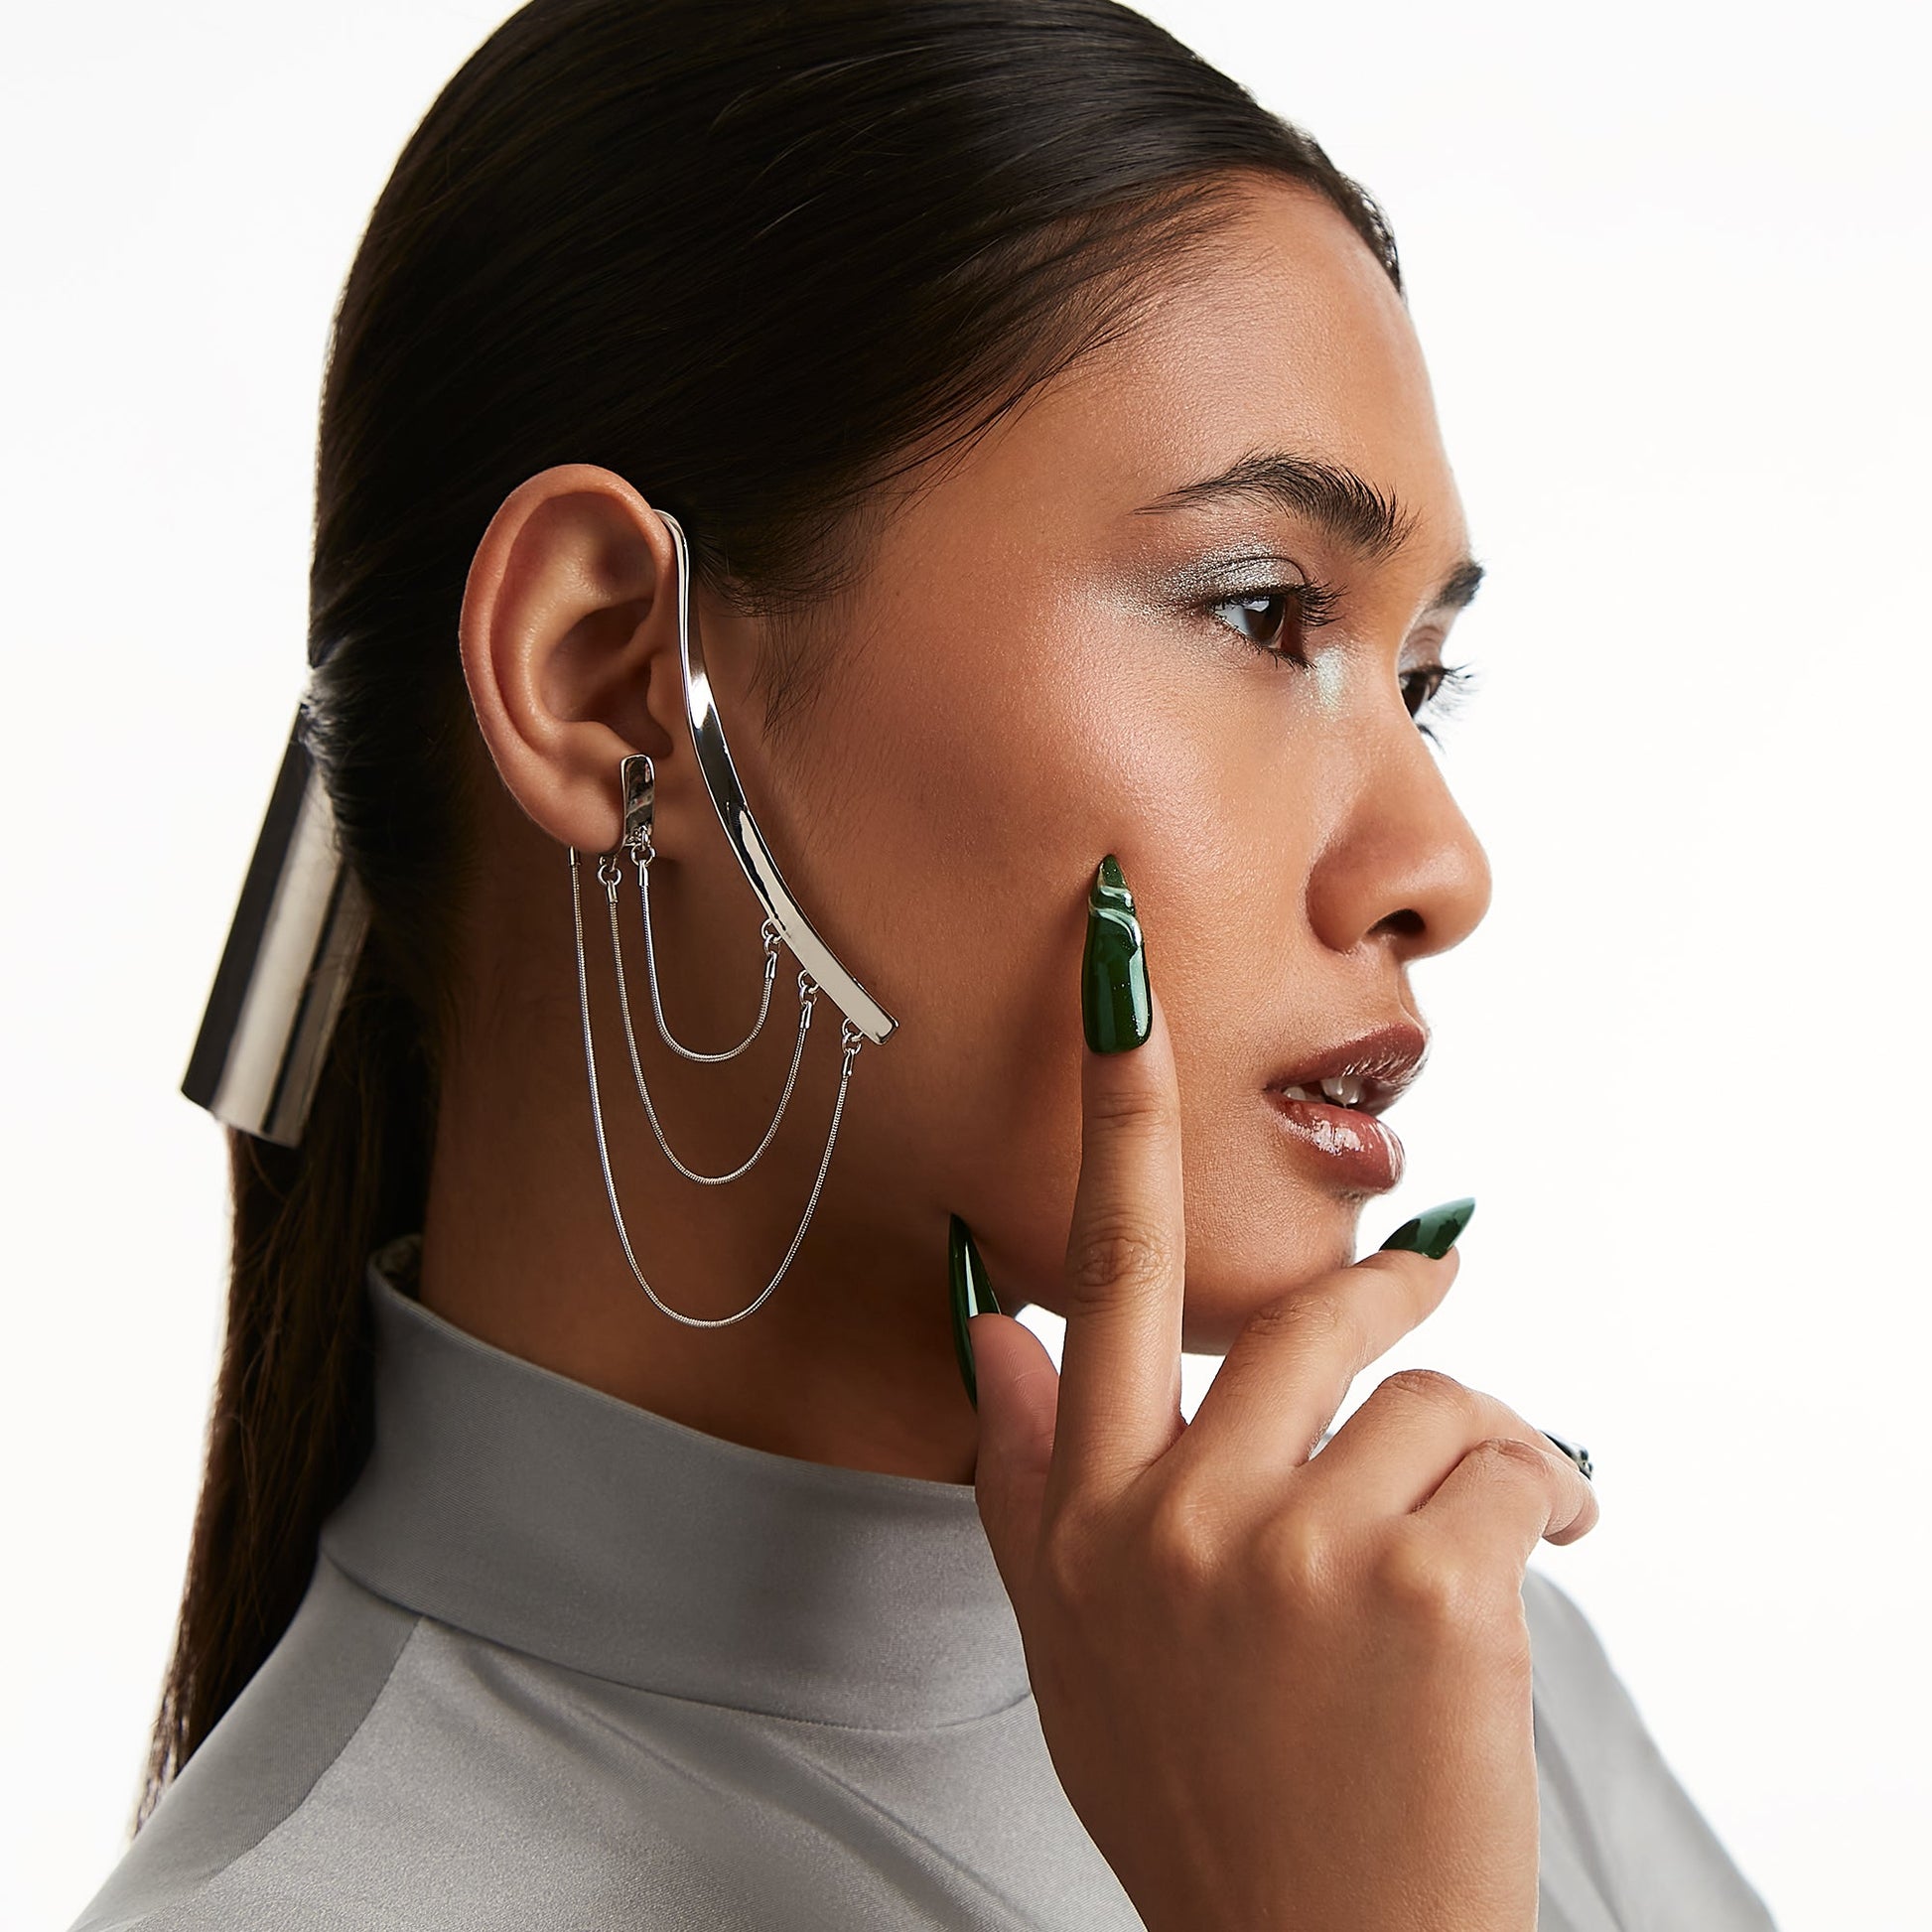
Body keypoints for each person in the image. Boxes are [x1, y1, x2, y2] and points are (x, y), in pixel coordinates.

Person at [69, 2, 1780, 1927]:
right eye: (1259, 610)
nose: (1438, 869)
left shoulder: (1434, 1669)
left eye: (1420, 680)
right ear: (610, 679)